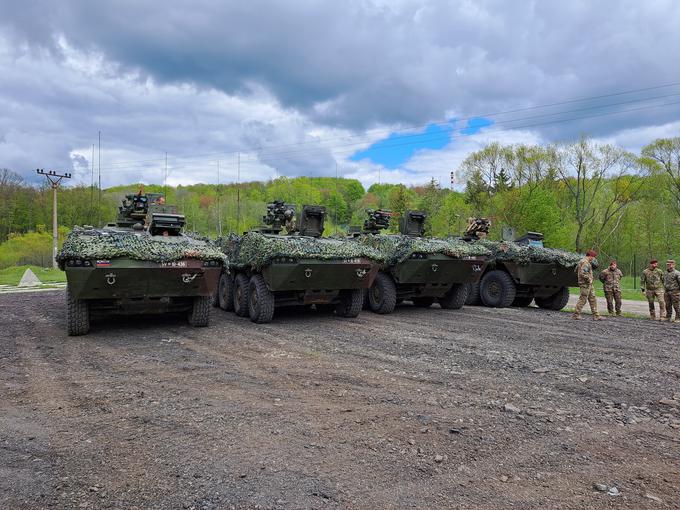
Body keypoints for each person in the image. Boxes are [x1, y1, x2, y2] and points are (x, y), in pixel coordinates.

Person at [573, 249, 601, 320]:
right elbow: (582, 273)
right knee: (583, 299)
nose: (594, 258)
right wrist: (589, 279)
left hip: (589, 284)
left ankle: (596, 316)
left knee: (593, 299)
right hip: (585, 284)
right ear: (590, 256)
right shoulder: (585, 262)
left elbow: (576, 270)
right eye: (593, 257)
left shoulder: (583, 261)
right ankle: (576, 315)